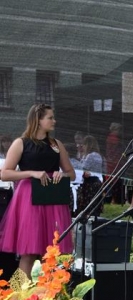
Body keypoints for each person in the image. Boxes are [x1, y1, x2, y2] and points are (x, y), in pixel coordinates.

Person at [0, 104, 77, 277]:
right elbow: (4, 174)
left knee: (50, 252)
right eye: (50, 117)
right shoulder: (21, 143)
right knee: (28, 252)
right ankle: (21, 292)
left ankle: (48, 291)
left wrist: (62, 174)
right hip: (29, 198)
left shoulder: (56, 144)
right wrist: (31, 173)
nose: (54, 121)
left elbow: (71, 174)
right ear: (38, 120)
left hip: (52, 198)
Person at [71, 135, 104, 217]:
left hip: (91, 183)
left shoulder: (91, 156)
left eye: (84, 145)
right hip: (95, 182)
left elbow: (82, 167)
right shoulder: (96, 155)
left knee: (90, 205)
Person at [105, 122, 124, 204]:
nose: (120, 132)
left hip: (112, 162)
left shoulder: (110, 137)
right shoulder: (113, 138)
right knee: (114, 180)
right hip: (114, 162)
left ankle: (112, 197)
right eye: (119, 130)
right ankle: (113, 198)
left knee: (111, 179)